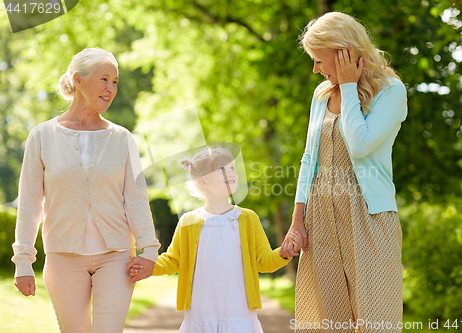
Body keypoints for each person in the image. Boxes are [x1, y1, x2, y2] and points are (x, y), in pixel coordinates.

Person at [12, 47, 160, 333]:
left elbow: (136, 198)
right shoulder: (42, 136)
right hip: (63, 257)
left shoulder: (122, 139)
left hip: (116, 256)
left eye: (115, 82)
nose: (111, 88)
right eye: (104, 79)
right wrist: (23, 262)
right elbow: (30, 202)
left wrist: (149, 250)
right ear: (78, 80)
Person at [280, 12, 408, 333]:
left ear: (344, 52)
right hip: (321, 218)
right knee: (328, 322)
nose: (315, 70)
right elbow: (310, 158)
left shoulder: (391, 90)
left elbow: (361, 145)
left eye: (318, 60)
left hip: (369, 218)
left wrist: (350, 87)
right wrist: (298, 221)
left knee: (375, 321)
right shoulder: (321, 94)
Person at [129, 146, 302, 333]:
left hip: (239, 315)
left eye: (232, 168)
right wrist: (146, 265)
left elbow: (263, 261)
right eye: (221, 169)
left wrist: (283, 254)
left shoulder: (247, 219)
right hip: (200, 316)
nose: (230, 173)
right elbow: (172, 260)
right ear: (202, 180)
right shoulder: (188, 222)